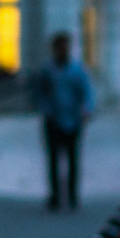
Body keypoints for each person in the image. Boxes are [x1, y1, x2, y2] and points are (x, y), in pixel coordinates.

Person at [31, 30, 95, 211]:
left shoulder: (77, 71)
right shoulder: (48, 71)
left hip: (73, 120)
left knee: (73, 160)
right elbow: (39, 94)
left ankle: (73, 196)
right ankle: (55, 196)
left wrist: (86, 111)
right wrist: (46, 110)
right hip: (53, 120)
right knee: (53, 160)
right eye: (59, 47)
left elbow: (87, 93)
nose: (63, 51)